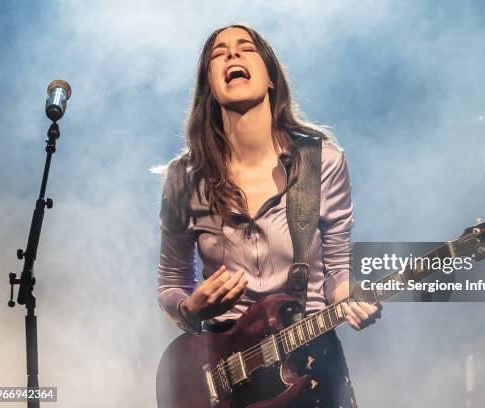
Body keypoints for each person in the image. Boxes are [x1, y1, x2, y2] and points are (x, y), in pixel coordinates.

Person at [157, 24, 381, 407]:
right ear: (209, 85)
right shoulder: (185, 178)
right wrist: (191, 308)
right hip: (226, 374)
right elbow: (171, 283)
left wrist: (351, 298)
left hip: (310, 363)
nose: (232, 55)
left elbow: (338, 271)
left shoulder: (321, 161)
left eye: (246, 48)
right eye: (219, 53)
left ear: (272, 78)